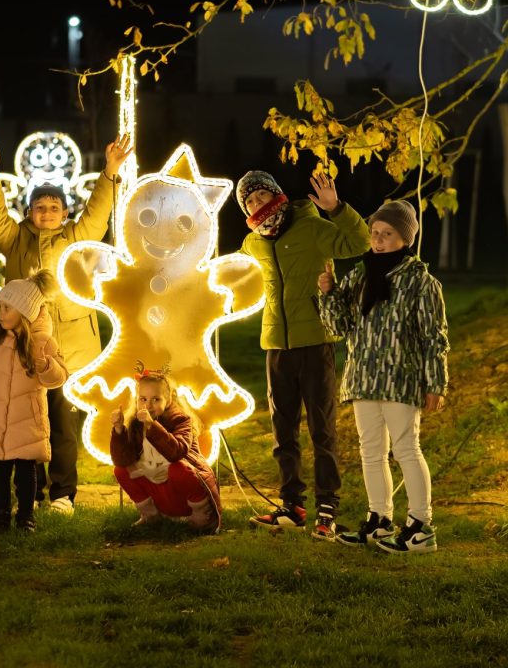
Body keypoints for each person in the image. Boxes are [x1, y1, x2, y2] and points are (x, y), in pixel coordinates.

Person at [0, 133, 132, 514]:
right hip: (27, 349)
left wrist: (111, 171)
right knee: (27, 424)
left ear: (65, 212)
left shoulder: (77, 237)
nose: (47, 212)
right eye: (39, 206)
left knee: (62, 425)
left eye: (54, 206)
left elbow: (97, 212)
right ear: (28, 212)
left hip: (69, 353)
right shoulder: (15, 241)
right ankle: (33, 490)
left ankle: (63, 493)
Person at [236, 169, 370, 539]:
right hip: (275, 345)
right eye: (248, 201)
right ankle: (291, 505)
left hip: (315, 341)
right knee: (283, 432)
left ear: (276, 194)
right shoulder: (253, 243)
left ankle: (327, 508)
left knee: (322, 430)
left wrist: (336, 208)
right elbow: (232, 278)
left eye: (261, 196)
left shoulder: (312, 228)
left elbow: (359, 242)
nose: (256, 204)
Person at [318, 199, 449, 553]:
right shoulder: (361, 276)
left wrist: (435, 383)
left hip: (401, 379)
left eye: (387, 234)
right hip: (364, 377)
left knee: (407, 448)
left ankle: (421, 525)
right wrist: (329, 293)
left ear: (404, 239)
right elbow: (339, 326)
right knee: (371, 452)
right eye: (375, 233)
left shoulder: (420, 283)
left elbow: (433, 337)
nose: (378, 240)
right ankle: (379, 520)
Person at [0, 270, 69, 534]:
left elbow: (59, 376)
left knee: (25, 471)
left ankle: (25, 517)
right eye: (0, 306)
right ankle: (0, 518)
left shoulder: (42, 341)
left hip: (26, 420)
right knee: (0, 472)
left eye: (7, 307)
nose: (1, 313)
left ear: (24, 310)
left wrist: (45, 365)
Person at [110, 367, 221, 534]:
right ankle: (151, 515)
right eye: (143, 399)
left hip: (184, 489)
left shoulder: (182, 420)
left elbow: (176, 452)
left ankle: (202, 515)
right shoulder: (135, 424)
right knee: (121, 471)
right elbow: (123, 460)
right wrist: (119, 430)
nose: (148, 405)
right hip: (159, 488)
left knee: (178, 469)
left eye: (156, 399)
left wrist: (152, 426)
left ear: (168, 399)